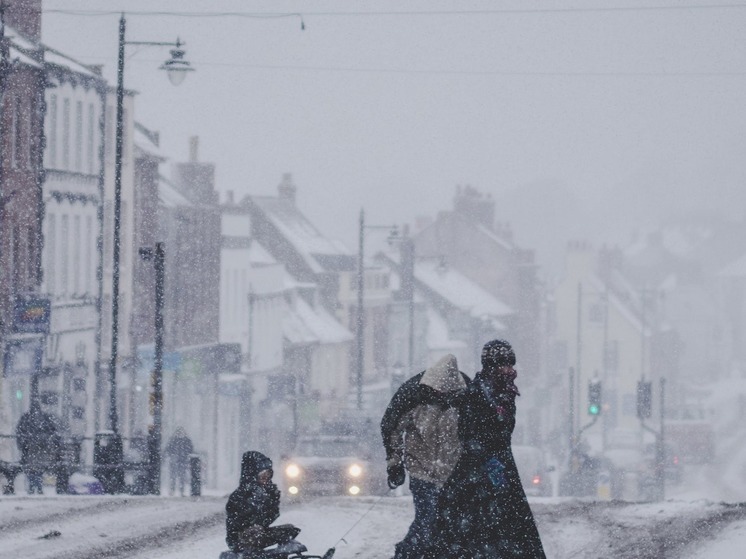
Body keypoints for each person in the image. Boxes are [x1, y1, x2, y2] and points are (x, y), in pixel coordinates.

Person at [432, 339, 546, 558]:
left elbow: (503, 435)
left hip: (502, 476)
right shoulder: (472, 396)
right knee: (474, 538)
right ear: (492, 366)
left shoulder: (505, 394)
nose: (511, 370)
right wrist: (486, 461)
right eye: (505, 364)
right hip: (473, 480)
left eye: (511, 365)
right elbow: (468, 436)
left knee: (509, 538)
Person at [381, 354, 468, 559]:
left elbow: (477, 434)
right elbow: (391, 428)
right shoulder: (413, 396)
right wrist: (395, 463)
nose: (438, 394)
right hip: (422, 471)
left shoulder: (466, 399)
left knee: (449, 525)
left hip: (453, 474)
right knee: (427, 521)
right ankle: (405, 554)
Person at [225, 451, 301, 556]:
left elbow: (270, 517)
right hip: (240, 538)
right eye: (262, 473)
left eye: (268, 473)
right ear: (253, 473)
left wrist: (272, 500)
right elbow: (238, 521)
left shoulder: (267, 492)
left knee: (290, 530)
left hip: (259, 533)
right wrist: (253, 524)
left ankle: (281, 554)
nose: (266, 476)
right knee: (255, 533)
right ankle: (253, 554)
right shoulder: (240, 495)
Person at [16, 400, 62, 495]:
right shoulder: (45, 418)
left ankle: (34, 487)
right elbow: (53, 431)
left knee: (32, 469)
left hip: (31, 448)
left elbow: (20, 431)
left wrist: (23, 444)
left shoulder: (26, 418)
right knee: (38, 469)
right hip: (40, 448)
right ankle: (37, 487)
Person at [165, 427, 193, 496]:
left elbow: (168, 449)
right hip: (178, 461)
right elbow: (168, 449)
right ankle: (174, 490)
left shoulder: (175, 440)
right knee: (175, 477)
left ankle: (178, 491)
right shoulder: (184, 440)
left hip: (180, 461)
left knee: (179, 477)